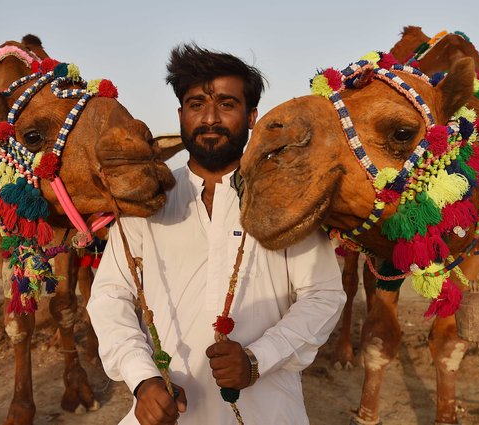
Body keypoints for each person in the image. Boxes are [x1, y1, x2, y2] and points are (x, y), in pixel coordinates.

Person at [87, 43, 346, 425]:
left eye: (226, 104)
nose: (209, 118)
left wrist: (259, 359)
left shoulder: (284, 199)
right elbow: (111, 296)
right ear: (180, 114)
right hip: (164, 410)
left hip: (268, 411)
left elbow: (322, 295)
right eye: (195, 105)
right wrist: (142, 380)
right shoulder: (149, 201)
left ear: (252, 115)